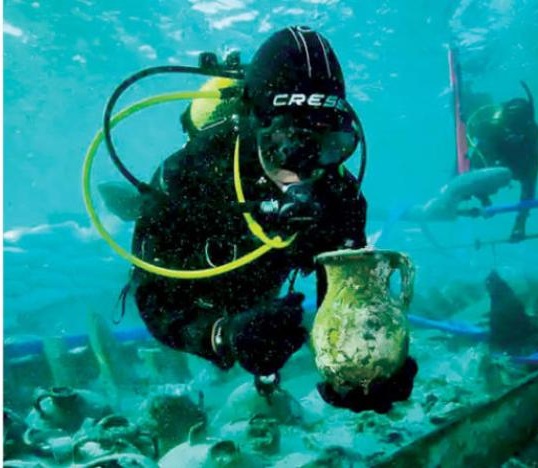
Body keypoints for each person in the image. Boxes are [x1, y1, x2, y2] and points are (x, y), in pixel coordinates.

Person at [127, 26, 417, 413]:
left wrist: (368, 364)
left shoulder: (339, 195)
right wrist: (223, 335)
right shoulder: (188, 177)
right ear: (254, 125)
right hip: (202, 287)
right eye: (288, 145)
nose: (308, 170)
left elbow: (346, 297)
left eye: (331, 145)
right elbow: (154, 299)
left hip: (264, 287)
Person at [465, 82, 538, 241]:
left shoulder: (532, 141)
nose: (514, 134)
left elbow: (529, 187)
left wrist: (520, 223)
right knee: (475, 172)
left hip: (517, 162)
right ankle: (468, 94)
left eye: (520, 128)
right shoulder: (492, 133)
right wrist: (484, 199)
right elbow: (475, 165)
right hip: (497, 158)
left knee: (528, 174)